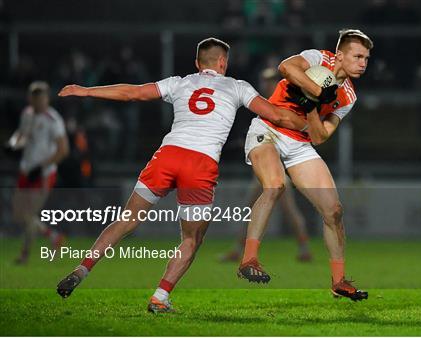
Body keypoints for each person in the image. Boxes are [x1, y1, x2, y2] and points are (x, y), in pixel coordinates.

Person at [55, 37, 307, 313]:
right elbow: (275, 115)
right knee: (191, 239)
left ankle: (82, 269)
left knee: (126, 220)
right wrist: (310, 123)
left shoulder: (179, 82)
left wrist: (86, 91)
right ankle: (159, 298)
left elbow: (133, 93)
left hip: (168, 155)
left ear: (197, 64)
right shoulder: (237, 86)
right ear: (223, 62)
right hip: (200, 164)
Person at [237, 29, 372, 301]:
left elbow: (320, 136)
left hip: (299, 144)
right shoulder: (317, 58)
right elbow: (286, 67)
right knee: (274, 186)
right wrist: (317, 90)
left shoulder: (348, 96)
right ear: (340, 55)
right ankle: (249, 260)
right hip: (268, 130)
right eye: (357, 56)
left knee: (333, 211)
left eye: (366, 58)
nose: (363, 63)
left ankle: (338, 281)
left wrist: (311, 105)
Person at [220, 67, 312, 263]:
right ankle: (303, 248)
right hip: (266, 169)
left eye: (269, 81)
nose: (265, 84)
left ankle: (303, 248)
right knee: (268, 209)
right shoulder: (266, 105)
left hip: (276, 169)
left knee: (283, 210)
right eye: (264, 80)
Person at [5, 81, 69, 264]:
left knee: (29, 214)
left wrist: (42, 167)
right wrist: (13, 144)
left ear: (46, 98)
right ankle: (54, 236)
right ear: (30, 98)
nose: (37, 102)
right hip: (26, 169)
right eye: (34, 98)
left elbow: (63, 150)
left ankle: (24, 256)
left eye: (40, 98)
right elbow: (21, 134)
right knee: (19, 214)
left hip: (43, 174)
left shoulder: (53, 120)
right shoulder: (27, 114)